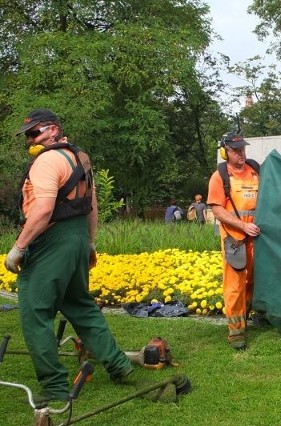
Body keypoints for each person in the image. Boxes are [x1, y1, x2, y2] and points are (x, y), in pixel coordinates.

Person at [3, 109, 132, 405]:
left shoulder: (46, 160)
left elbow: (44, 209)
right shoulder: (80, 159)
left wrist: (19, 246)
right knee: (81, 305)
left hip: (51, 240)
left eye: (35, 133)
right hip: (75, 239)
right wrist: (88, 243)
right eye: (28, 135)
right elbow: (92, 205)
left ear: (53, 130)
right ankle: (119, 364)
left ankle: (55, 386)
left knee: (35, 313)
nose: (30, 140)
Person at [207, 132, 260, 350]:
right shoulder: (220, 176)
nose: (241, 153)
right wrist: (242, 226)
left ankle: (248, 316)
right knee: (235, 284)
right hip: (235, 237)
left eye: (243, 149)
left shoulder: (255, 170)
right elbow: (218, 210)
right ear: (225, 152)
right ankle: (236, 331)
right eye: (236, 150)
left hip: (257, 235)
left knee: (256, 279)